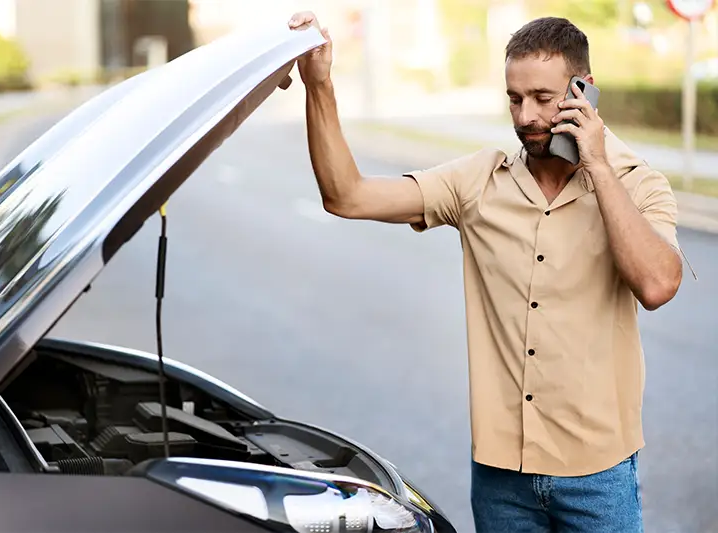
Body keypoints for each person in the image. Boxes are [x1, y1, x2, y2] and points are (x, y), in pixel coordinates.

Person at [288, 11, 683, 533]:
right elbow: (347, 195)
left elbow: (658, 285)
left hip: (598, 479)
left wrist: (599, 168)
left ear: (584, 92)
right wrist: (319, 84)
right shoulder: (478, 180)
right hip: (502, 481)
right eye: (515, 99)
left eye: (543, 98)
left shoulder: (637, 183)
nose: (525, 117)